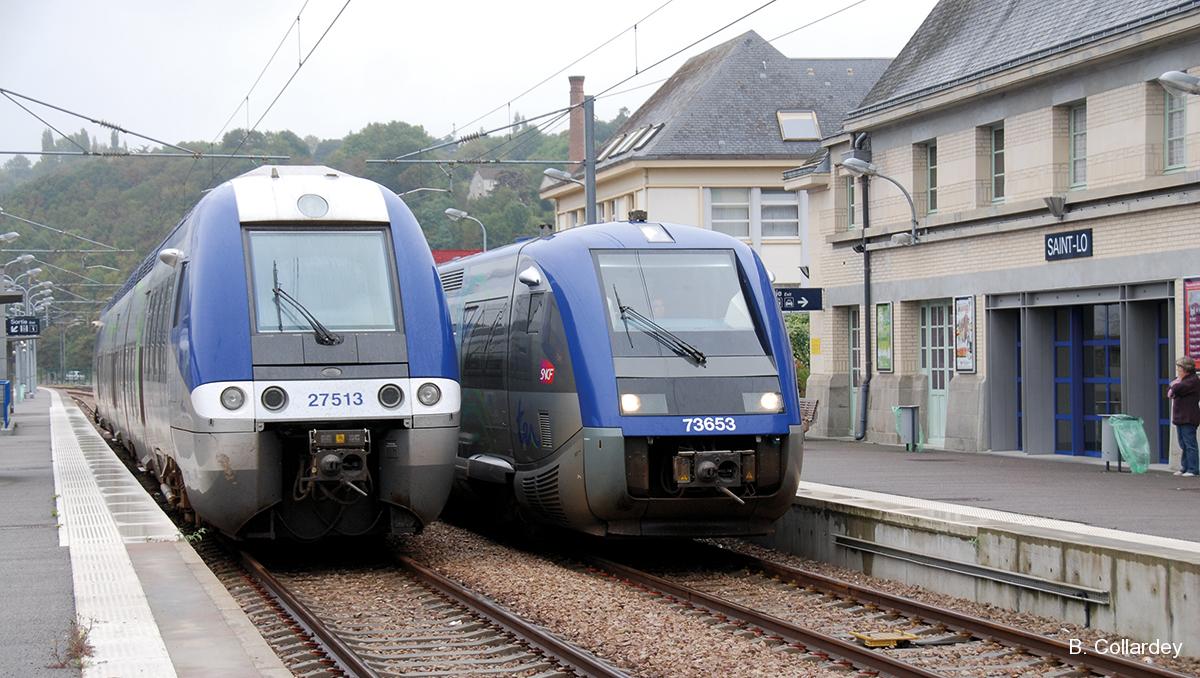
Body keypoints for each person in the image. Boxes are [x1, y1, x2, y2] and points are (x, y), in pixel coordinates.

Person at [1167, 356, 1200, 477]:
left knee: (1190, 443)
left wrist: (1176, 384)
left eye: (1179, 367)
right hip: (1180, 417)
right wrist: (1175, 385)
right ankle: (1184, 467)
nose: (1177, 370)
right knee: (1183, 444)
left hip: (1189, 417)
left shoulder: (1192, 380)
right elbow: (1170, 390)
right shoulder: (1182, 379)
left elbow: (1176, 388)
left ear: (1186, 368)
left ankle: (1193, 469)